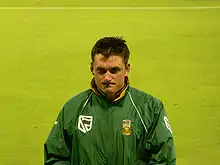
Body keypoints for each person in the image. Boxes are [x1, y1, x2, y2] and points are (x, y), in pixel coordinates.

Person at [44, 36, 176, 165]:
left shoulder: (150, 108)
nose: (107, 78)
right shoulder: (73, 108)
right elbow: (55, 157)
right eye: (101, 71)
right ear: (92, 69)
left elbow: (164, 159)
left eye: (114, 70)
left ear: (127, 69)